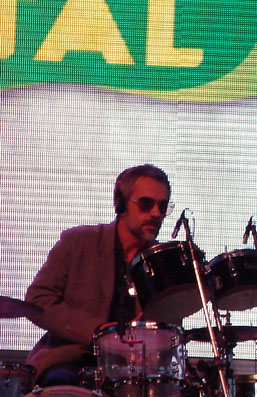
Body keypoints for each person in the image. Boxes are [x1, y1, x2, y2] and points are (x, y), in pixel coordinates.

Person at [25, 163, 173, 385]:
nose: (156, 214)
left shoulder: (161, 261)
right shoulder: (78, 242)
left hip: (137, 369)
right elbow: (38, 301)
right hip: (73, 360)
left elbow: (169, 328)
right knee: (61, 384)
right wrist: (99, 332)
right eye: (146, 204)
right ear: (121, 204)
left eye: (162, 207)